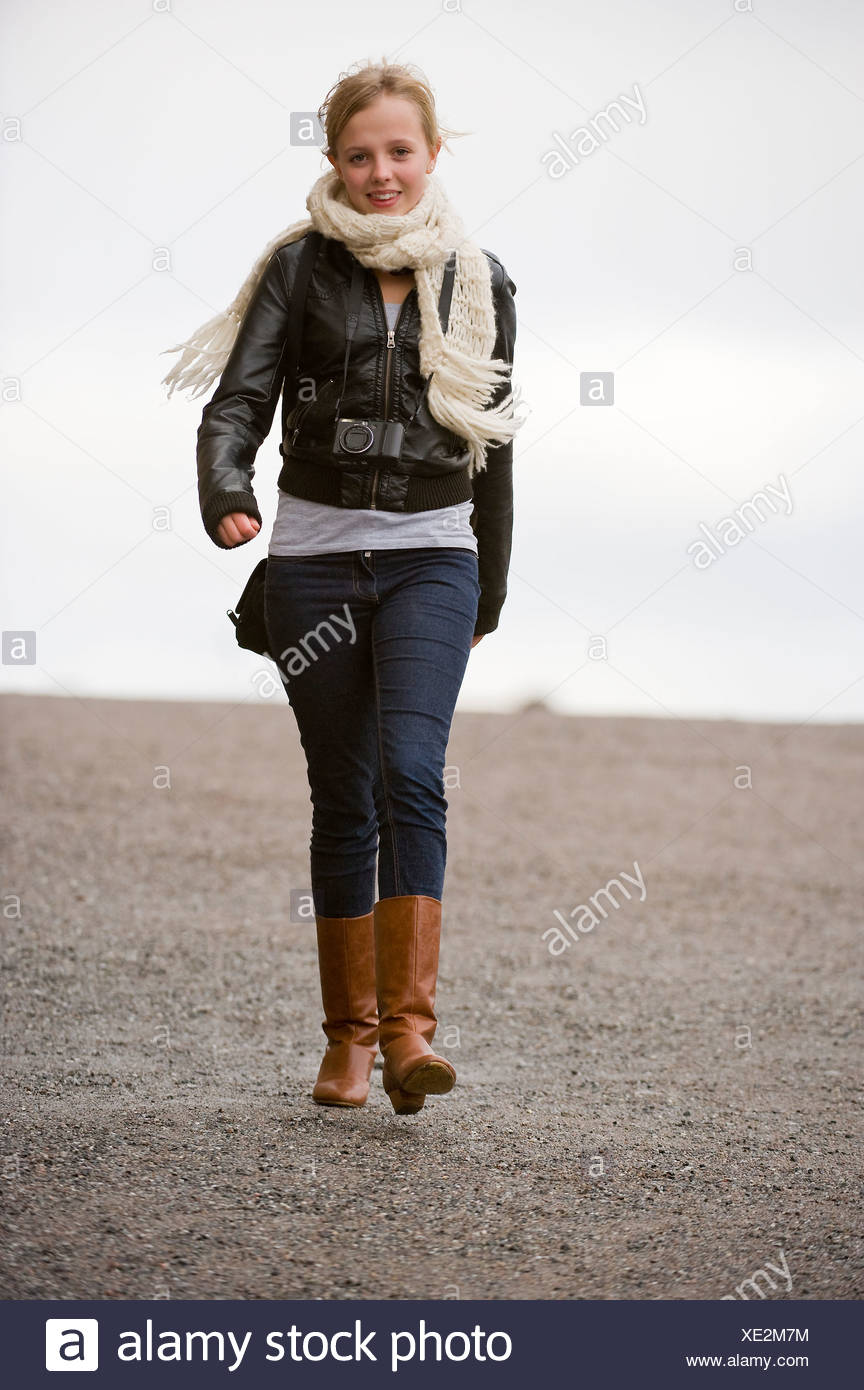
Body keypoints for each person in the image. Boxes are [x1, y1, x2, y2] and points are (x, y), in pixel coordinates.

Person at [161, 58, 522, 1115]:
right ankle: (348, 1039)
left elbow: (496, 446)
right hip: (316, 559)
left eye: (399, 152)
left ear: (433, 154)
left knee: (412, 771)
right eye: (359, 155)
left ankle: (411, 1035)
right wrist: (224, 486)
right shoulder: (296, 270)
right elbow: (237, 404)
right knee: (344, 793)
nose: (381, 172)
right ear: (334, 162)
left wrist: (487, 592)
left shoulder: (480, 280)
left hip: (433, 559)